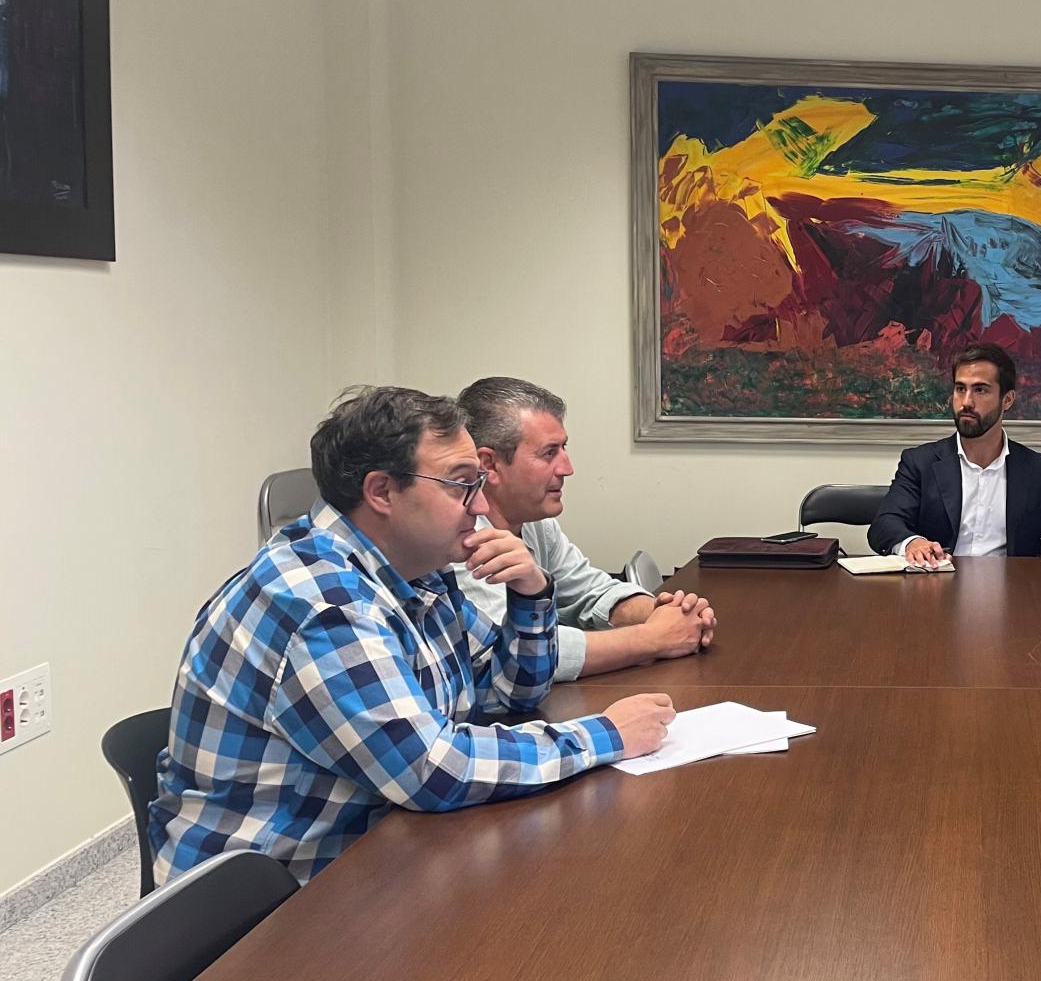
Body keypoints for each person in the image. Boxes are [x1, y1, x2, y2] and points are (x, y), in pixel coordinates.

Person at [149, 387, 677, 883]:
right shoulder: (322, 604)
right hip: (275, 899)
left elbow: (507, 691)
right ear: (382, 491)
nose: (479, 506)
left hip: (375, 843)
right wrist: (607, 734)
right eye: (460, 484)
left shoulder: (417, 571)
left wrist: (531, 594)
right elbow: (433, 770)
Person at [456, 377, 714, 680]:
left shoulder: (536, 523)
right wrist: (654, 638)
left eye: (563, 448)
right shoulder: (457, 540)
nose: (567, 468)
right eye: (549, 453)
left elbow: (592, 591)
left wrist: (666, 612)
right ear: (489, 464)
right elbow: (516, 654)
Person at [868, 342, 1041, 564]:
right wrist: (912, 543)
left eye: (980, 390)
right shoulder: (920, 462)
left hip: (1014, 584)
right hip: (939, 581)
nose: (966, 402)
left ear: (1007, 400)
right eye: (960, 389)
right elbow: (884, 525)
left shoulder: (1038, 470)